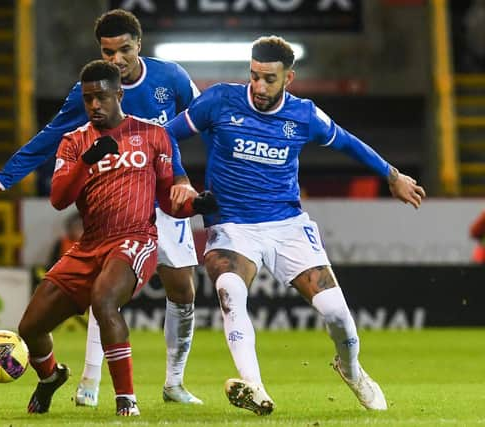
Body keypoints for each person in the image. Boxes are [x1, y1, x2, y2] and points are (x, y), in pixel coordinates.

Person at [166, 35, 426, 415]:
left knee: (337, 313)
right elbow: (166, 135)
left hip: (287, 225)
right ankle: (253, 385)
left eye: (269, 79)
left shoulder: (304, 115)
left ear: (289, 78)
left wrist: (391, 175)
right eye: (254, 76)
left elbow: (347, 143)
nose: (258, 86)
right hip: (232, 226)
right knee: (229, 290)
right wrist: (179, 178)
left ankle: (351, 369)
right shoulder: (220, 100)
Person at [0, 9, 204, 406]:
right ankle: (90, 383)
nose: (116, 60)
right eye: (108, 51)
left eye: (124, 50)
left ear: (139, 45)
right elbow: (49, 138)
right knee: (105, 289)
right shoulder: (93, 93)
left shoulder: (172, 77)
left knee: (182, 289)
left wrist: (192, 180)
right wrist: (2, 179)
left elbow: (203, 120)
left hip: (163, 194)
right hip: (117, 210)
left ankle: (175, 382)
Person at [18, 60, 216, 417]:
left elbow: (169, 198)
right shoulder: (74, 142)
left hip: (135, 239)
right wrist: (86, 163)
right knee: (30, 327)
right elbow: (59, 198)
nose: (94, 105)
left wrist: (197, 206)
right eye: (88, 99)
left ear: (119, 95)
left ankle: (126, 399)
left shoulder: (154, 136)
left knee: (105, 300)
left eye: (102, 97)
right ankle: (50, 378)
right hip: (89, 245)